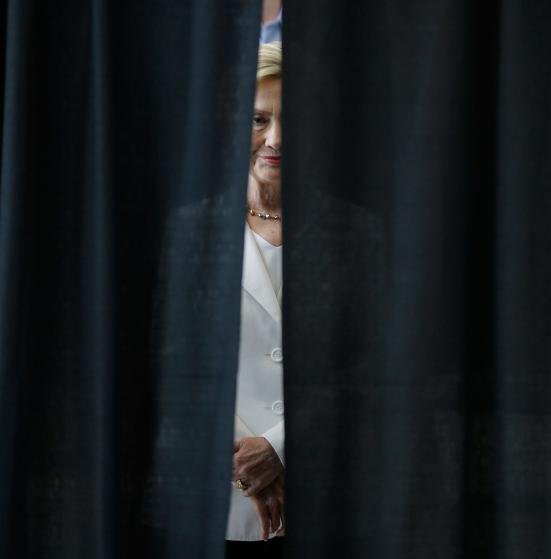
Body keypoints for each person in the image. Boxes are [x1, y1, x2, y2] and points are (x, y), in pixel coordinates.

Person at [226, 41, 286, 559]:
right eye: (258, 118)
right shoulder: (189, 232)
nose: (276, 139)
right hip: (215, 496)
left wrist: (280, 449)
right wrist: (248, 466)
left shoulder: (357, 231)